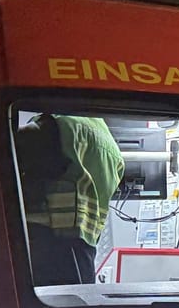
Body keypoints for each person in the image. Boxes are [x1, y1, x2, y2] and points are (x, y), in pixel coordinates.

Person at [16, 114, 124, 285]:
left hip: (44, 244)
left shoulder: (58, 126)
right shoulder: (110, 145)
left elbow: (5, 148)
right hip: (83, 254)